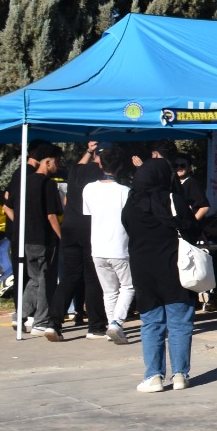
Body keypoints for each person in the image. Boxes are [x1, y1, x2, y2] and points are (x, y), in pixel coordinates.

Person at [123, 158, 194, 392]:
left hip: (143, 271)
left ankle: (153, 376)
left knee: (151, 322)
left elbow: (128, 229)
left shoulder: (131, 204)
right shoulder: (173, 199)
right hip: (174, 268)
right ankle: (180, 375)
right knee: (179, 321)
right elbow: (193, 228)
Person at [43, 142, 109, 340]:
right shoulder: (101, 175)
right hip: (89, 229)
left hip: (70, 227)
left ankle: (53, 323)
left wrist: (88, 150)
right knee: (92, 278)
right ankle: (96, 326)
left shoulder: (76, 170)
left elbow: (80, 164)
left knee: (70, 277)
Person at [3, 142, 63, 335]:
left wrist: (21, 224)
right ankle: (40, 321)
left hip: (25, 239)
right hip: (44, 240)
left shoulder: (24, 182)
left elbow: (7, 206)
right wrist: (61, 238)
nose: (58, 166)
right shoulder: (48, 184)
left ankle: (20, 315)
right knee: (45, 281)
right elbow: (52, 216)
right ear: (47, 162)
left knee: (34, 279)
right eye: (57, 162)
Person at [82, 145, 135, 344]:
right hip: (119, 247)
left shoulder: (89, 189)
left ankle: (113, 326)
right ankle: (116, 323)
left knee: (109, 291)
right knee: (128, 286)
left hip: (98, 247)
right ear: (120, 166)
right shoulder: (125, 191)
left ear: (100, 164)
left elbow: (88, 213)